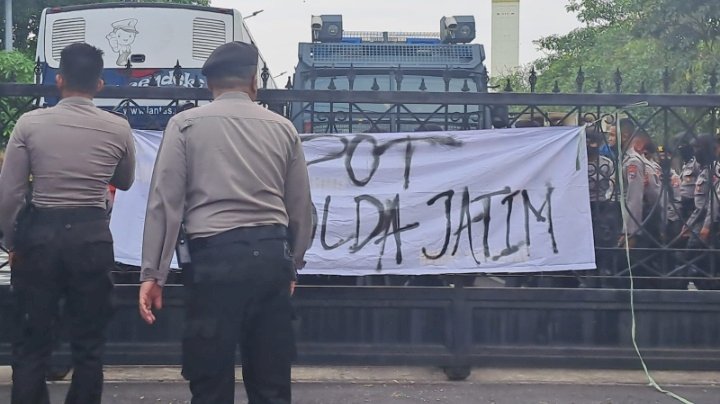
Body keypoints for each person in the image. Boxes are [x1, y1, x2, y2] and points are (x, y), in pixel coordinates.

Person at [139, 42, 313, 404]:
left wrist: (153, 274)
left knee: (210, 380)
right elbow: (300, 208)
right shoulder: (282, 129)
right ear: (253, 82)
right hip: (270, 258)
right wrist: (292, 264)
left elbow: (165, 203)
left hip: (213, 262)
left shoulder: (185, 125)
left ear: (210, 84)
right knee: (271, 382)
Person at [0, 43, 136, 404]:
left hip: (41, 235)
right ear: (100, 84)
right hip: (91, 236)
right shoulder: (118, 128)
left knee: (31, 344)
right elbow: (125, 180)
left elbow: (10, 193)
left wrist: (14, 242)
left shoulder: (30, 124)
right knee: (89, 345)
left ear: (59, 80)